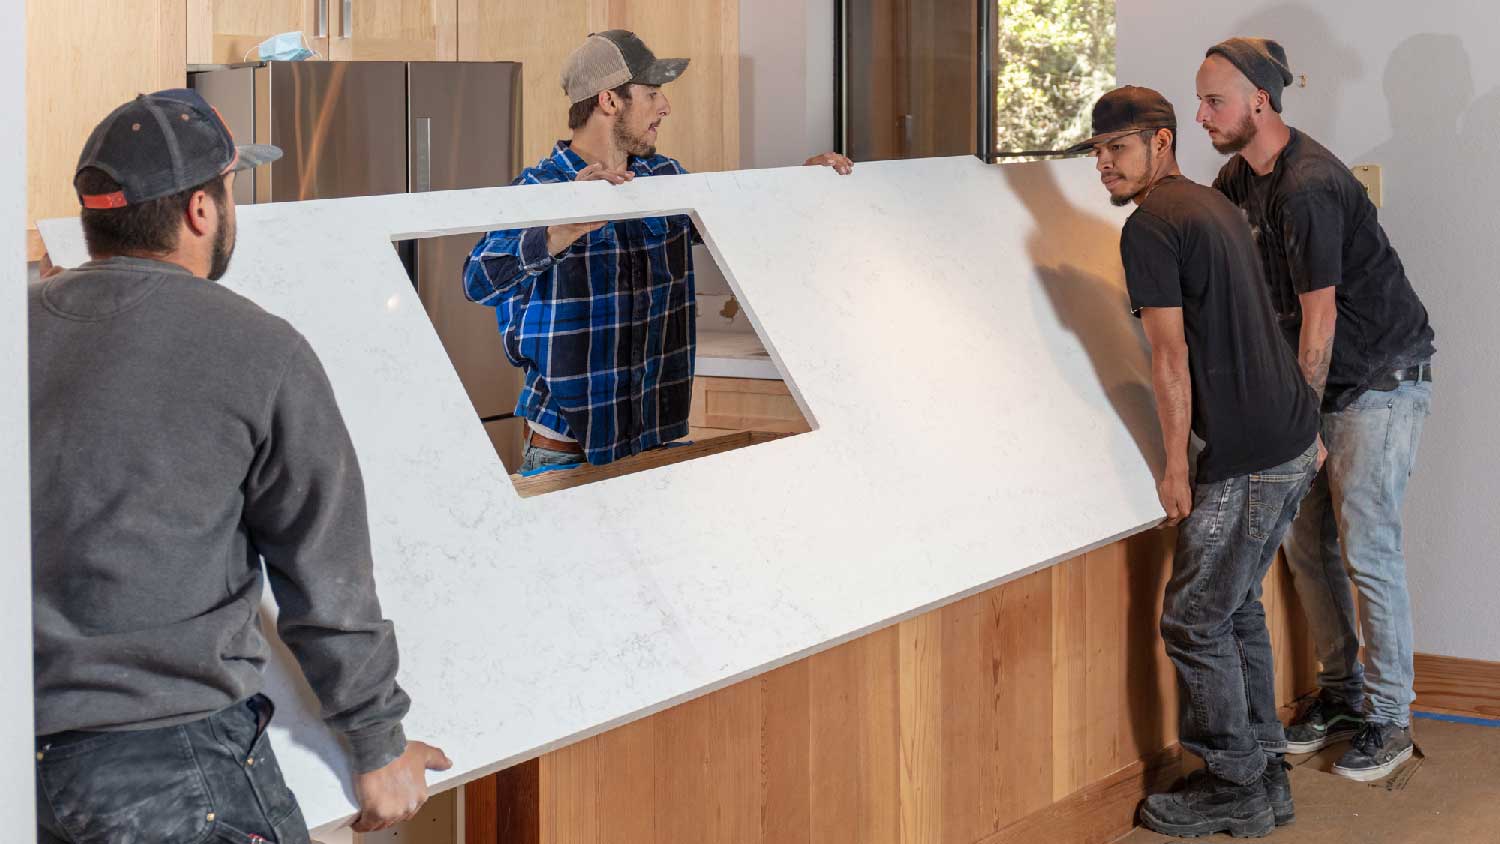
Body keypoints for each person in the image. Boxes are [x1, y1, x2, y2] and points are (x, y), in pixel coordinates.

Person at [30, 89, 450, 842]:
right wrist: (378, 740)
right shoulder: (259, 349)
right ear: (200, 211)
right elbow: (327, 576)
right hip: (167, 763)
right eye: (230, 190)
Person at [1070, 86, 1321, 838]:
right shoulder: (1210, 206)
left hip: (1245, 454)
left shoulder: (1152, 227)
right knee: (1233, 605)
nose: (1104, 165)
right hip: (1288, 440)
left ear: (1162, 141)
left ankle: (1231, 784)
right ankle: (1264, 772)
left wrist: (1175, 468)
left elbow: (1170, 358)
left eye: (1117, 149)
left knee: (1192, 621)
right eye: (1096, 152)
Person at [1198, 38, 1437, 781]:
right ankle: (1341, 697)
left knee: (1368, 549)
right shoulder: (1237, 178)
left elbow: (1320, 317)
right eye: (1201, 100)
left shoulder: (1308, 184)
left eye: (1215, 101)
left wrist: (1297, 425)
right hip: (1314, 385)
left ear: (1260, 102)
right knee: (1309, 548)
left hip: (1378, 380)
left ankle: (1391, 720)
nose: (1202, 114)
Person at [464, 29, 853, 472]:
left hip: (656, 444)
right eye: (652, 94)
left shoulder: (666, 179)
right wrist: (558, 231)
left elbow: (741, 220)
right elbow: (477, 280)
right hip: (566, 453)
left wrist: (800, 183)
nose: (665, 107)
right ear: (609, 101)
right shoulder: (542, 188)